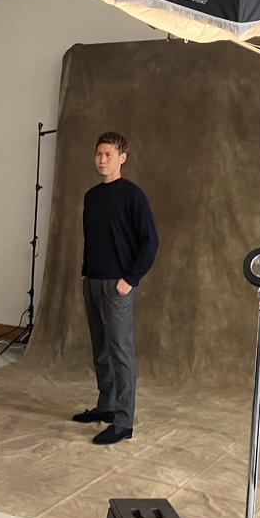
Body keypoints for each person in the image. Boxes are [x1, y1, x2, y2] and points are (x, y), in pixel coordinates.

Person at [73, 131, 158, 445]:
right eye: (98, 154)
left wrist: (130, 279)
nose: (102, 160)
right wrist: (86, 272)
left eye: (108, 154)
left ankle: (123, 422)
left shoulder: (132, 195)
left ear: (122, 158)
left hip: (118, 285)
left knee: (121, 352)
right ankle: (106, 407)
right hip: (93, 282)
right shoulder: (92, 196)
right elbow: (91, 238)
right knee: (101, 350)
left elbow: (150, 242)